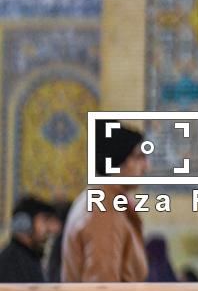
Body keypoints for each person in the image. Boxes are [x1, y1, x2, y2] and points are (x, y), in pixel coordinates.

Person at [62, 120, 149, 282]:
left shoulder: (101, 199)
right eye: (139, 157)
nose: (146, 167)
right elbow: (102, 286)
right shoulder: (104, 210)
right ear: (118, 159)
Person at [0, 196, 61, 282]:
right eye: (44, 220)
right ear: (25, 223)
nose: (50, 229)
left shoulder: (27, 257)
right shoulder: (11, 263)